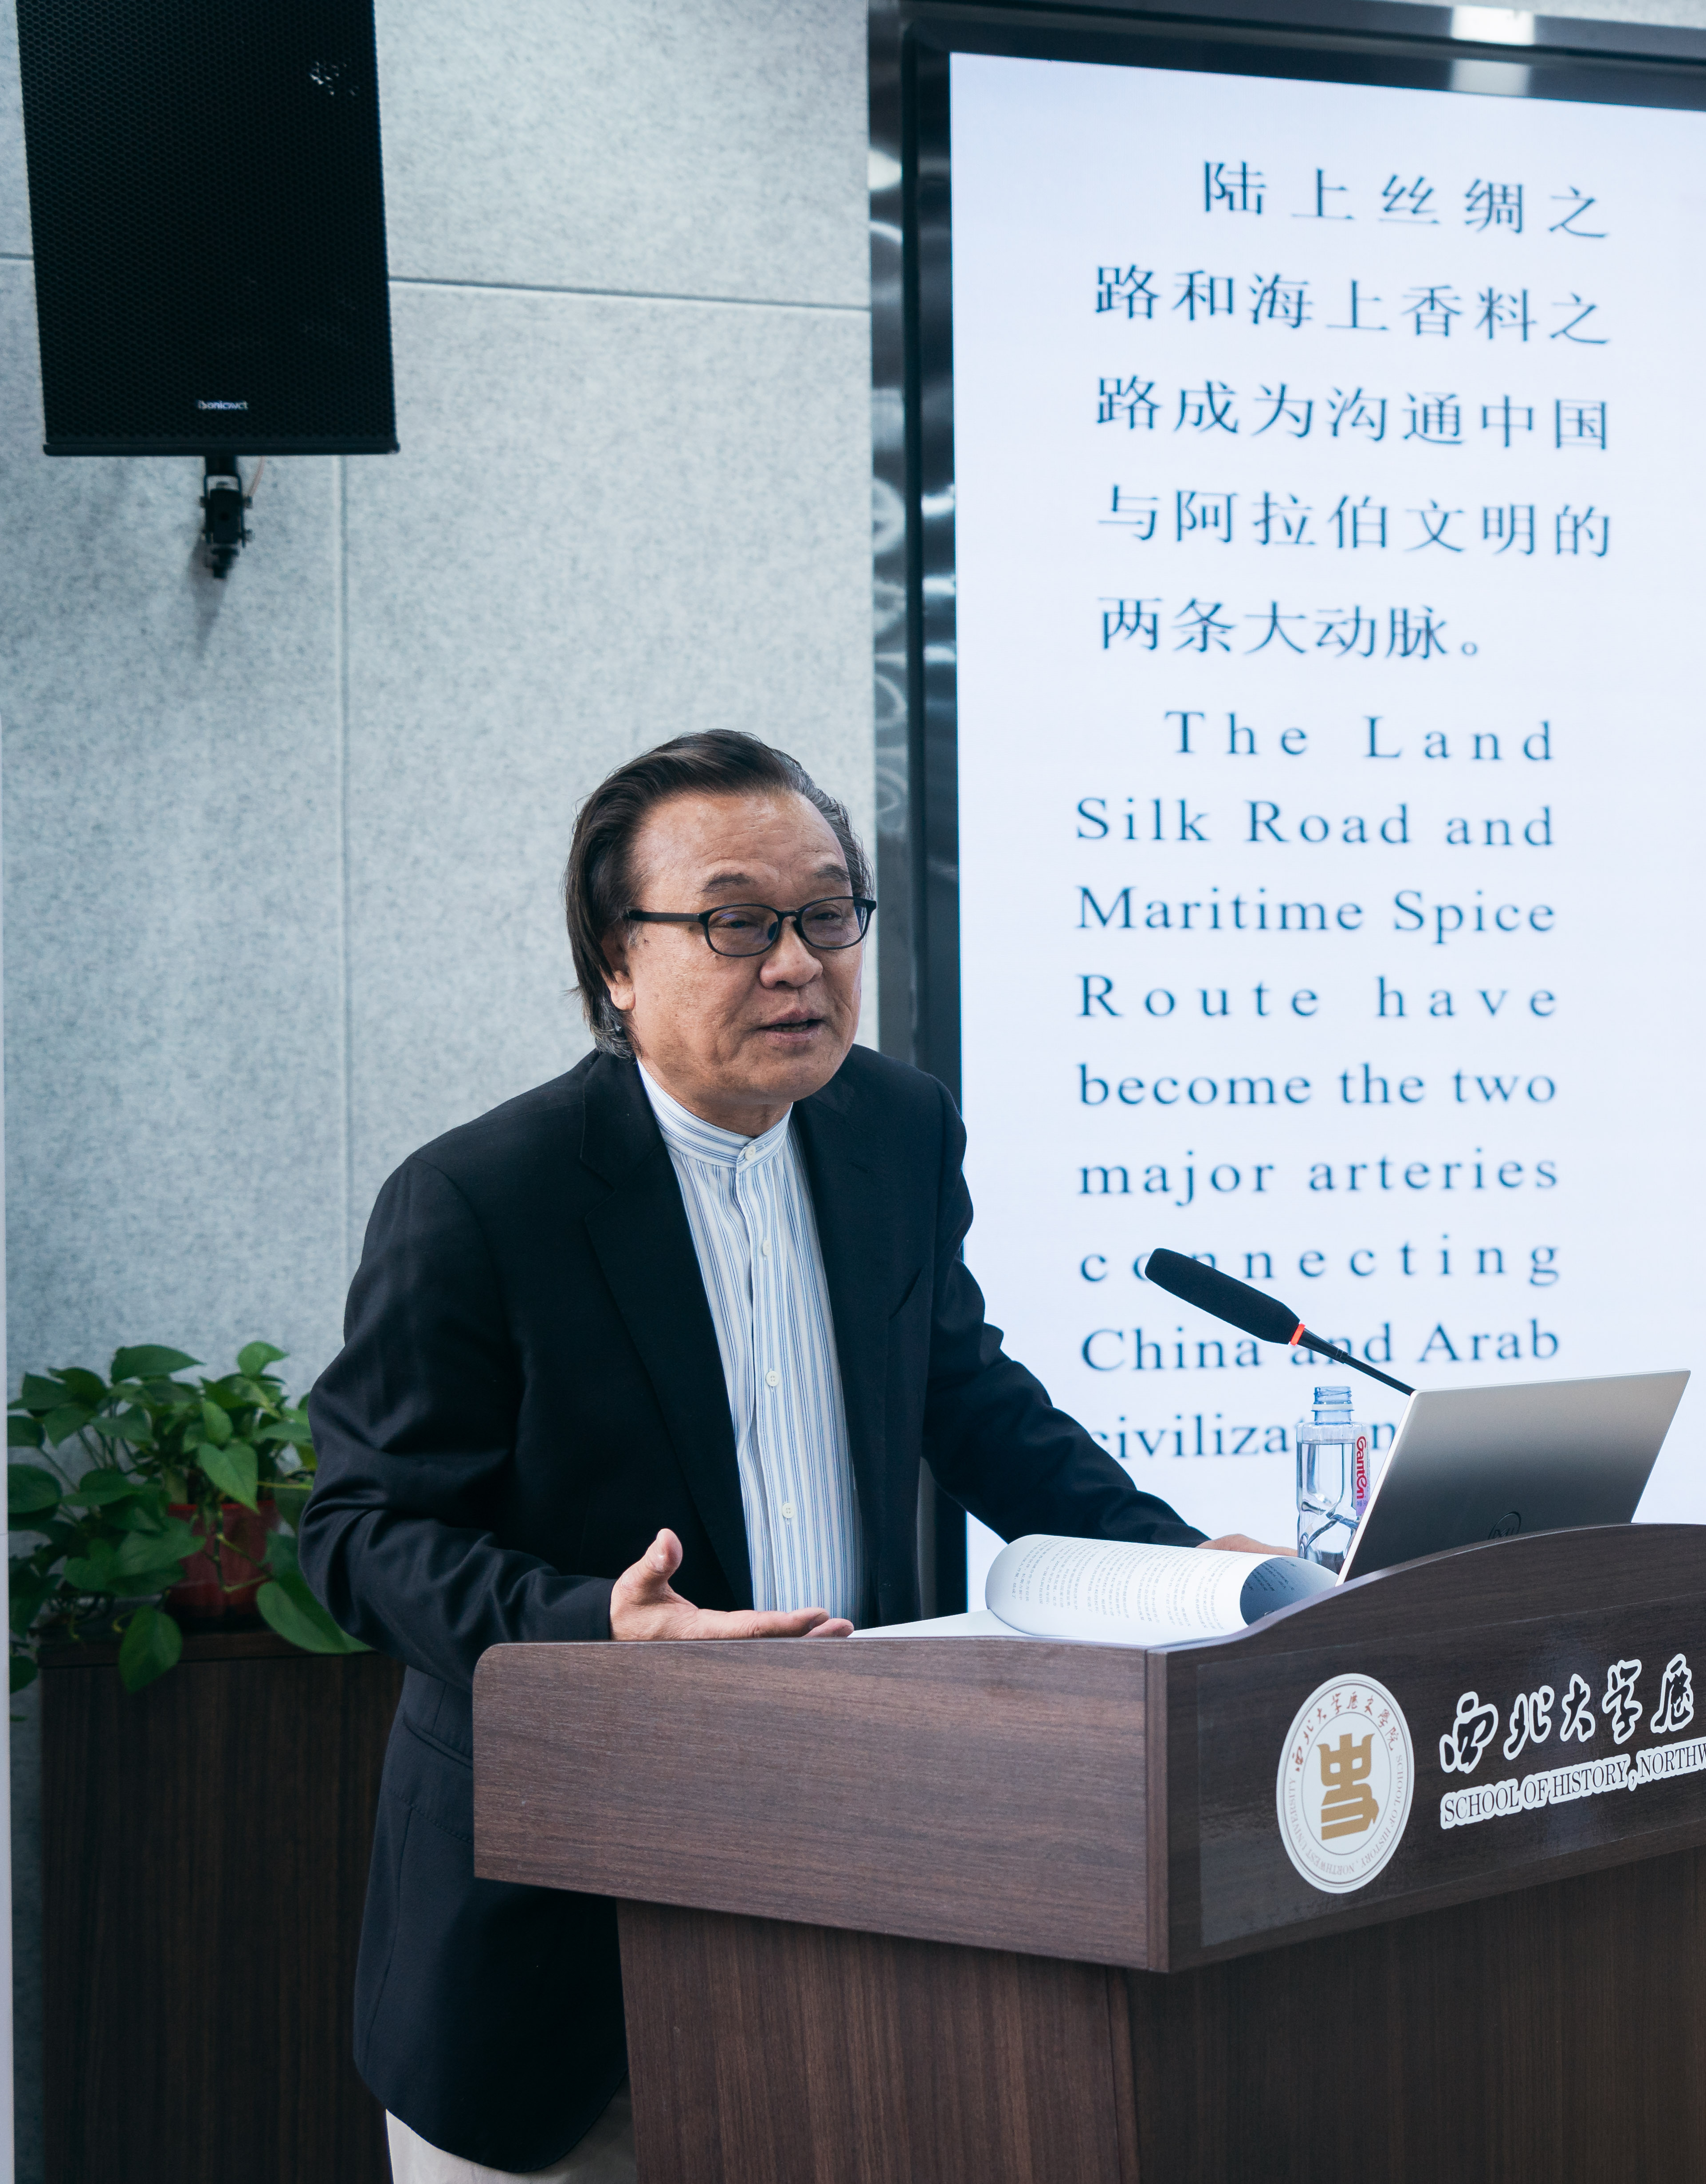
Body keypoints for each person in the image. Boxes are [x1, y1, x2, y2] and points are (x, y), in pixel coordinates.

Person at [302, 731, 1275, 2181]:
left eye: (828, 913)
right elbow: (358, 1533)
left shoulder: (896, 1128)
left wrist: (1188, 1571)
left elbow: (970, 1399)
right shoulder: (480, 1199)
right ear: (616, 962)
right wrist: (593, 1627)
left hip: (847, 1906)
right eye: (737, 921)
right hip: (562, 1934)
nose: (799, 962)